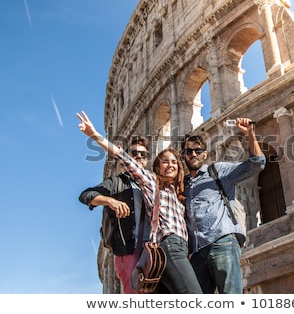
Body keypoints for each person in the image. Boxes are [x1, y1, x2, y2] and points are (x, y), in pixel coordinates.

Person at [76, 111, 202, 294]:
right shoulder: (151, 182)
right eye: (165, 162)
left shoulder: (176, 192)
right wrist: (95, 135)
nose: (170, 165)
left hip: (177, 249)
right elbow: (123, 157)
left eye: (174, 162)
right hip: (164, 246)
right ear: (157, 167)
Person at [181, 118, 266, 294]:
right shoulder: (182, 185)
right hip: (196, 252)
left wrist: (249, 133)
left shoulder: (218, 171)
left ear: (205, 154)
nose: (194, 154)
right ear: (183, 155)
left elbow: (257, 164)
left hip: (222, 242)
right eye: (189, 151)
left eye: (198, 150)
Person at [78, 136, 152, 294]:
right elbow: (86, 195)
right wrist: (109, 201)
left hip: (152, 250)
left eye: (143, 155)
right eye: (134, 153)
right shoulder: (116, 182)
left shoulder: (152, 184)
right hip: (129, 251)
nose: (138, 157)